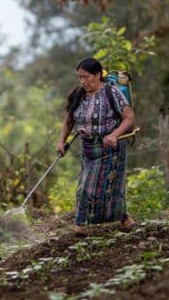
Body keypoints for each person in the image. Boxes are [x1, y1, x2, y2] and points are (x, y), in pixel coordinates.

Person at [56, 57, 136, 235]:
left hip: (110, 148)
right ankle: (114, 220)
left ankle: (83, 225)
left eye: (86, 77)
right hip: (88, 148)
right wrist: (61, 141)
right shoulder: (79, 94)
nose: (83, 81)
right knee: (85, 186)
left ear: (98, 75)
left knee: (112, 185)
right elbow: (69, 121)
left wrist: (114, 134)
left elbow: (129, 118)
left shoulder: (112, 93)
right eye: (80, 77)